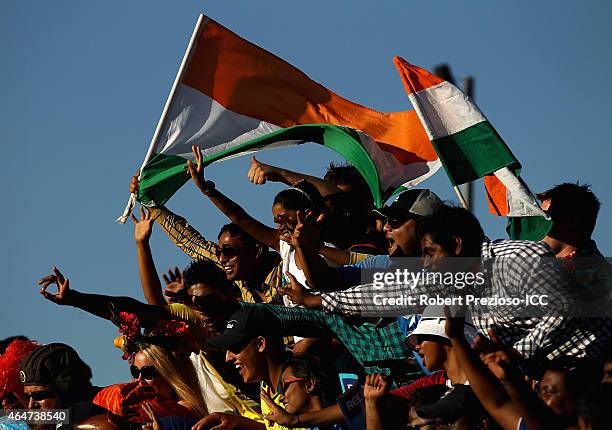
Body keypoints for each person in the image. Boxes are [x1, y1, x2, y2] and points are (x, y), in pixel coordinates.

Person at [294, 205, 609, 364]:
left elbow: (562, 310)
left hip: (595, 367)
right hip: (547, 374)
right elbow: (388, 294)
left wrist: (514, 355)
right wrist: (320, 302)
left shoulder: (516, 257)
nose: (425, 262)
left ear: (456, 246)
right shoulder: (450, 281)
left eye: (430, 253)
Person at [130, 174, 284, 305]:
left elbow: (240, 217)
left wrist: (206, 189)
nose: (222, 259)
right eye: (219, 252)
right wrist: (146, 198)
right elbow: (190, 242)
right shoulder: (234, 271)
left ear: (257, 251)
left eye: (229, 251)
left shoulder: (287, 265)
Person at [192, 307, 302, 430]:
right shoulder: (266, 386)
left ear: (260, 344)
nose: (228, 357)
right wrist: (237, 422)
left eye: (234, 347)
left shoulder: (297, 386)